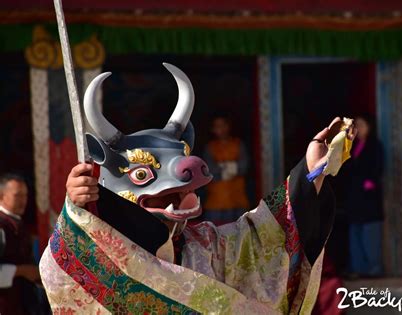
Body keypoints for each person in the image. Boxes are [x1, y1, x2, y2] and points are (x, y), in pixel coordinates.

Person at [39, 64, 356, 314]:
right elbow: (60, 272)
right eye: (142, 176)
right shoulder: (93, 257)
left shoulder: (205, 244)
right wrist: (79, 209)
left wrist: (311, 172)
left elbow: (262, 239)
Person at [0, 173, 47, 315]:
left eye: (25, 196)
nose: (23, 201)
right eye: (17, 195)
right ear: (2, 196)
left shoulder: (17, 223)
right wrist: (22, 270)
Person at [345, 113, 384, 277]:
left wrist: (370, 182)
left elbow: (378, 166)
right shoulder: (352, 146)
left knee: (370, 233)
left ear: (369, 127)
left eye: (362, 125)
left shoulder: (375, 145)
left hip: (369, 197)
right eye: (357, 126)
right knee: (355, 232)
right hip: (355, 197)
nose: (359, 129)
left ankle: (373, 268)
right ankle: (358, 268)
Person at [202, 114, 250, 225]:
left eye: (223, 125)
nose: (221, 129)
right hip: (215, 202)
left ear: (229, 126)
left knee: (240, 236)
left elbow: (244, 167)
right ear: (213, 129)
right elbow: (210, 171)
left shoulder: (238, 144)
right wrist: (233, 168)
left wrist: (221, 168)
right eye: (217, 126)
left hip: (237, 199)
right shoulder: (210, 147)